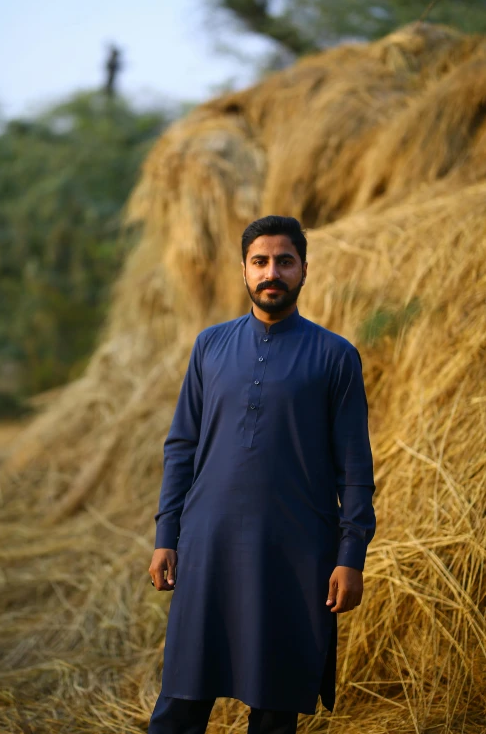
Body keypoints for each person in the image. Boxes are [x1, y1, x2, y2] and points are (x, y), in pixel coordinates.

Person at [148, 215, 376, 734]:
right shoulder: (209, 346)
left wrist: (351, 556)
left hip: (294, 554)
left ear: (303, 270)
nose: (272, 272)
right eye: (260, 262)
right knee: (180, 703)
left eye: (284, 261)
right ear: (244, 271)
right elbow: (181, 446)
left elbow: (355, 469)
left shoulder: (335, 356)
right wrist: (167, 536)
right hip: (209, 545)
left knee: (274, 709)